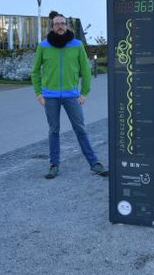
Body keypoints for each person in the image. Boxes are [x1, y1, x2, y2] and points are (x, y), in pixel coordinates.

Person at [31, 11, 108, 179]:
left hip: (71, 96)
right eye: (57, 24)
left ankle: (94, 163)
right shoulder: (43, 46)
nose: (60, 26)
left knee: (80, 129)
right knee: (54, 130)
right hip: (50, 96)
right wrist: (38, 93)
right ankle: (54, 165)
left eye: (63, 23)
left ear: (67, 26)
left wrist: (84, 93)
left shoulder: (77, 45)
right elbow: (35, 72)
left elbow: (86, 71)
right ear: (52, 27)